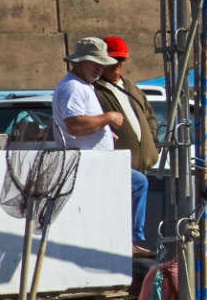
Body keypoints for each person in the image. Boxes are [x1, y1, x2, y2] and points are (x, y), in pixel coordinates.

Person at [54, 35, 152, 256]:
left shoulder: (82, 85)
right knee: (138, 183)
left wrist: (104, 131)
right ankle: (131, 240)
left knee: (133, 187)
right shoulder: (74, 88)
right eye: (95, 64)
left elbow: (80, 124)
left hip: (93, 160)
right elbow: (75, 125)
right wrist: (107, 119)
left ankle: (127, 239)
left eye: (102, 65)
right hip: (89, 162)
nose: (99, 69)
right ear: (79, 62)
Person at [95, 36, 158, 251]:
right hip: (117, 161)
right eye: (115, 60)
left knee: (132, 201)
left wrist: (152, 139)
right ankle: (129, 242)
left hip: (140, 161)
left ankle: (131, 242)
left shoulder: (129, 86)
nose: (119, 65)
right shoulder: (95, 90)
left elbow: (149, 115)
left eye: (122, 60)